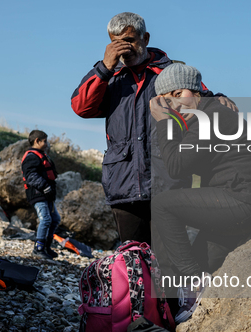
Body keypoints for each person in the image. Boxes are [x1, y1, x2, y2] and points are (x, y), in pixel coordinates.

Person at [71, 12, 236, 245]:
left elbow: (202, 102)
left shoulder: (172, 72)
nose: (123, 49)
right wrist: (105, 67)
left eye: (129, 40)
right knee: (134, 260)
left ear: (145, 38)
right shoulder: (110, 77)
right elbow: (81, 107)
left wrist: (217, 98)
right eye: (115, 42)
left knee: (168, 260)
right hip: (124, 184)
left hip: (168, 183)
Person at [150, 64, 251, 323]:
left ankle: (193, 285)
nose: (175, 104)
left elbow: (176, 167)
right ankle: (195, 300)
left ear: (196, 91)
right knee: (204, 259)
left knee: (163, 205)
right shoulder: (209, 113)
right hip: (250, 199)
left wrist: (164, 122)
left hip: (248, 198)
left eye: (178, 95)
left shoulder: (211, 117)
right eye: (167, 100)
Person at [21, 130, 61, 259]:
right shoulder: (31, 156)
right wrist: (44, 186)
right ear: (37, 141)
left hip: (47, 194)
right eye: (45, 141)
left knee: (55, 219)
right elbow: (30, 175)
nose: (47, 144)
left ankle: (46, 247)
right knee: (45, 219)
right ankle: (38, 249)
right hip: (38, 194)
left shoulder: (42, 154)